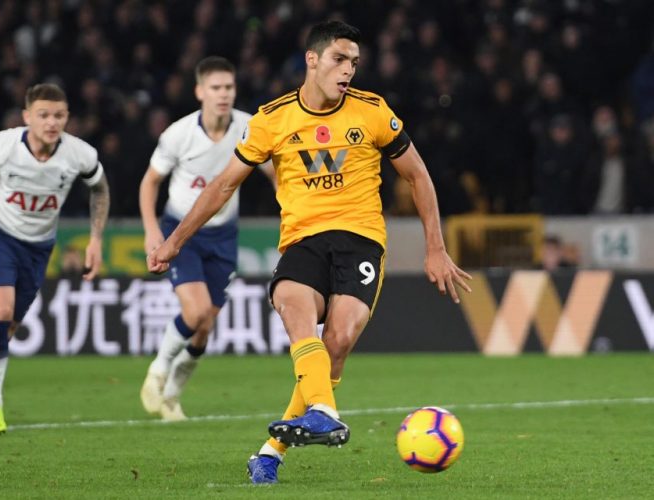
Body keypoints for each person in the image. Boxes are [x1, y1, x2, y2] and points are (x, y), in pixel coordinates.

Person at [148, 21, 471, 484]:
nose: (348, 70)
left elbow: (417, 175)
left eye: (354, 62)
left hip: (360, 240)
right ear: (312, 60)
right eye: (340, 59)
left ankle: (271, 452)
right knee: (293, 306)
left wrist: (435, 247)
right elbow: (222, 186)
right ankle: (322, 411)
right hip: (303, 240)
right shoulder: (273, 119)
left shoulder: (373, 112)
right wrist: (174, 241)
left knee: (336, 343)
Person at [0, 83, 110, 435]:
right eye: (43, 115)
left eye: (58, 115)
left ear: (67, 117)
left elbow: (100, 188)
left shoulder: (80, 154)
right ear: (27, 116)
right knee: (1, 312)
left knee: (6, 328)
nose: (51, 122)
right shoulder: (1, 146)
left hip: (39, 246)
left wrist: (96, 239)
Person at [139, 56, 273, 421]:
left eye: (229, 87)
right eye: (216, 88)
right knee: (195, 312)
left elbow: (275, 174)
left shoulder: (248, 127)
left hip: (224, 234)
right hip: (182, 231)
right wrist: (152, 230)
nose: (223, 94)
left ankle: (172, 396)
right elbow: (150, 182)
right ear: (200, 92)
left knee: (205, 326)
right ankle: (158, 370)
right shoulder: (178, 134)